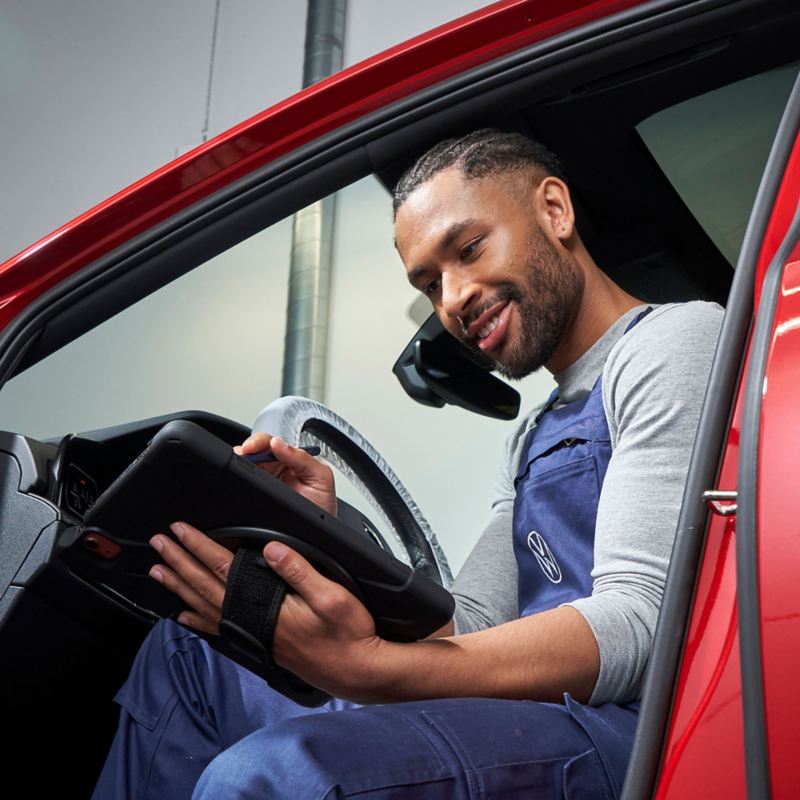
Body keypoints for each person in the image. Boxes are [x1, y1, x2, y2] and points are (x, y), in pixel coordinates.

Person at [92, 129, 723, 799]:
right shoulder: (537, 433)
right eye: (429, 283)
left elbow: (639, 625)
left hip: (639, 734)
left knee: (277, 776)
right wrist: (324, 535)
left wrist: (370, 671)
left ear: (554, 211)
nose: (452, 299)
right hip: (538, 716)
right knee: (189, 655)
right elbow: (469, 626)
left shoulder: (672, 342)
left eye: (469, 249)